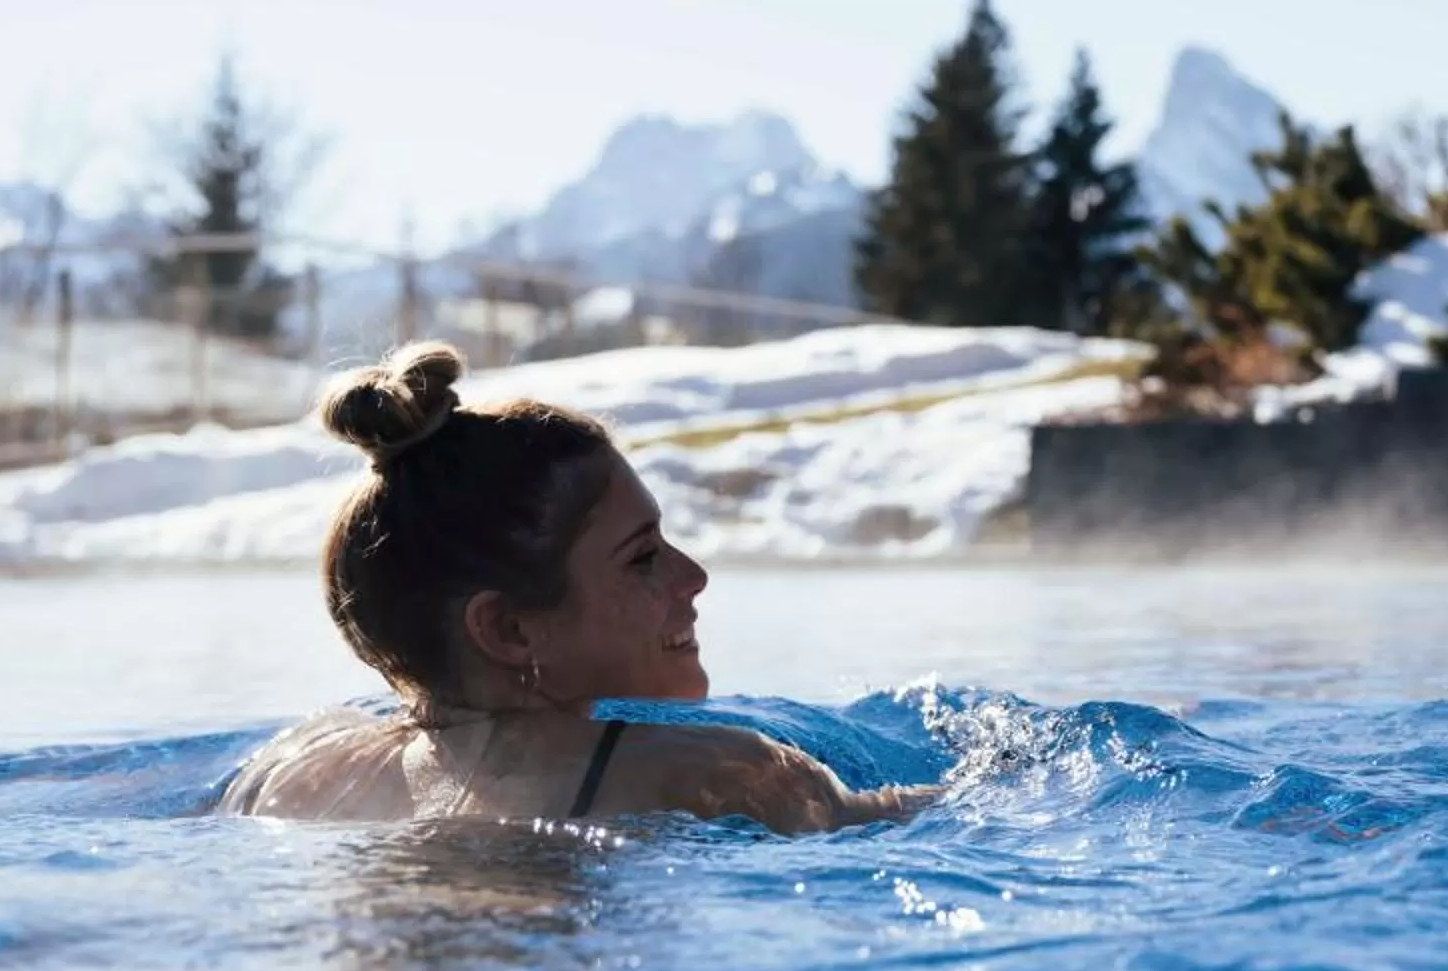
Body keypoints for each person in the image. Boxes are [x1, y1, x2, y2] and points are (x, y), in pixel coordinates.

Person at [222, 342, 931, 831]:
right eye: (642, 557)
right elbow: (938, 821)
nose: (694, 577)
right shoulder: (716, 771)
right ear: (508, 630)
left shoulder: (302, 768)